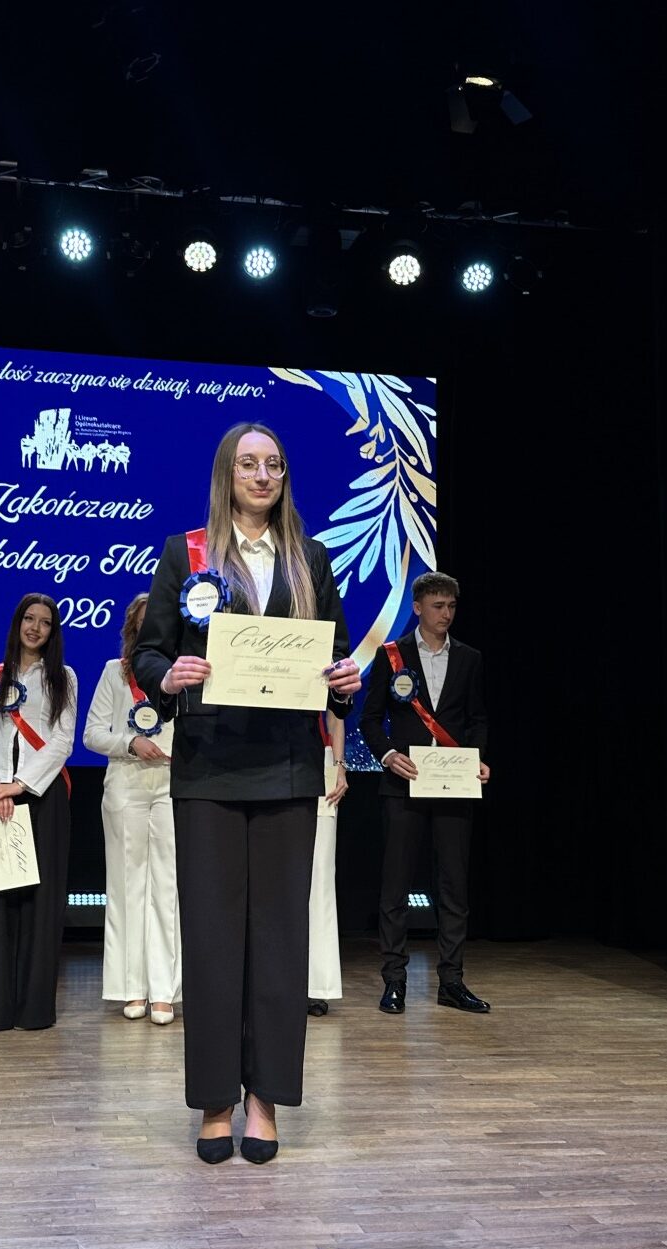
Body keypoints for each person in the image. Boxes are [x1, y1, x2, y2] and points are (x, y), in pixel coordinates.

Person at [132, 422, 361, 1165]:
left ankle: (265, 1101)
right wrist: (167, 676)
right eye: (248, 464)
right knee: (211, 940)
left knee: (279, 942)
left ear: (284, 476)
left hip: (288, 766)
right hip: (207, 768)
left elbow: (335, 655)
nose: (262, 476)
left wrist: (344, 681)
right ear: (226, 475)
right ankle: (214, 1102)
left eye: (274, 465)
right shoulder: (186, 552)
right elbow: (149, 652)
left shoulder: (309, 557)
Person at [360, 570, 491, 1017]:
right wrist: (388, 755)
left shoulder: (469, 658)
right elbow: (370, 719)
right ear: (417, 608)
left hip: (453, 785)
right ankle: (394, 981)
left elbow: (477, 719)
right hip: (404, 784)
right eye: (438, 606)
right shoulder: (392, 655)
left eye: (451, 606)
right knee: (395, 886)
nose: (446, 614)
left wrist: (477, 759)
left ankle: (452, 981)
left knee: (454, 887)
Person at [0, 594, 77, 1031]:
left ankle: (34, 1010)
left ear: (53, 632)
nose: (35, 628)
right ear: (17, 624)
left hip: (42, 796)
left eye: (45, 622)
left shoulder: (63, 677)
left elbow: (63, 739)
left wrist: (20, 784)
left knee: (41, 905)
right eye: (29, 619)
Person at [84, 593, 181, 1024]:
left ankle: (164, 991)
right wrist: (130, 743)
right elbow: (92, 734)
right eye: (144, 623)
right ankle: (131, 988)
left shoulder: (185, 671)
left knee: (168, 887)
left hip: (174, 783)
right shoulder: (115, 672)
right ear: (133, 629)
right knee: (126, 886)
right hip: (126, 782)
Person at [307, 711, 347, 1017]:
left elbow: (336, 715)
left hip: (317, 762)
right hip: (263, 762)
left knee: (319, 877)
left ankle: (315, 985)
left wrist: (339, 765)